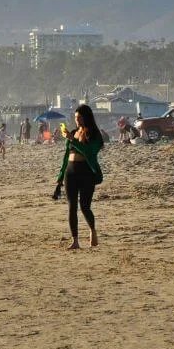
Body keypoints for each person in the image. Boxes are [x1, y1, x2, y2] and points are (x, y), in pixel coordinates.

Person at [55, 104, 105, 250]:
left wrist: (73, 140)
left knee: (84, 206)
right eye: (75, 118)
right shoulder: (73, 132)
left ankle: (92, 230)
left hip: (86, 173)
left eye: (79, 118)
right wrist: (60, 176)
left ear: (87, 117)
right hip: (70, 173)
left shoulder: (95, 135)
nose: (77, 121)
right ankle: (75, 241)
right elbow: (66, 156)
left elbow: (89, 152)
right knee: (72, 207)